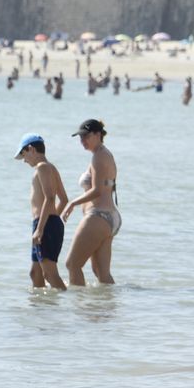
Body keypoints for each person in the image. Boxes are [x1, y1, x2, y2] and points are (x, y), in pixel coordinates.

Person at [61, 119, 120, 287]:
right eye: (80, 138)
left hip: (98, 216)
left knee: (72, 264)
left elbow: (97, 190)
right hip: (109, 217)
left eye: (86, 136)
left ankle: (79, 309)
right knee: (101, 273)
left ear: (98, 134)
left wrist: (72, 203)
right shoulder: (103, 154)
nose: (82, 141)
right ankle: (105, 311)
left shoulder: (99, 157)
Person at [16, 134, 68, 289]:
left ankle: (66, 306)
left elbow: (50, 198)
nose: (25, 160)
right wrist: (52, 220)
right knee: (35, 273)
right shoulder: (51, 168)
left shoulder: (42, 167)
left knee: (50, 274)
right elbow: (64, 200)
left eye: (24, 155)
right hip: (46, 223)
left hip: (44, 225)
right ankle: (42, 310)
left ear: (31, 149)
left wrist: (42, 228)